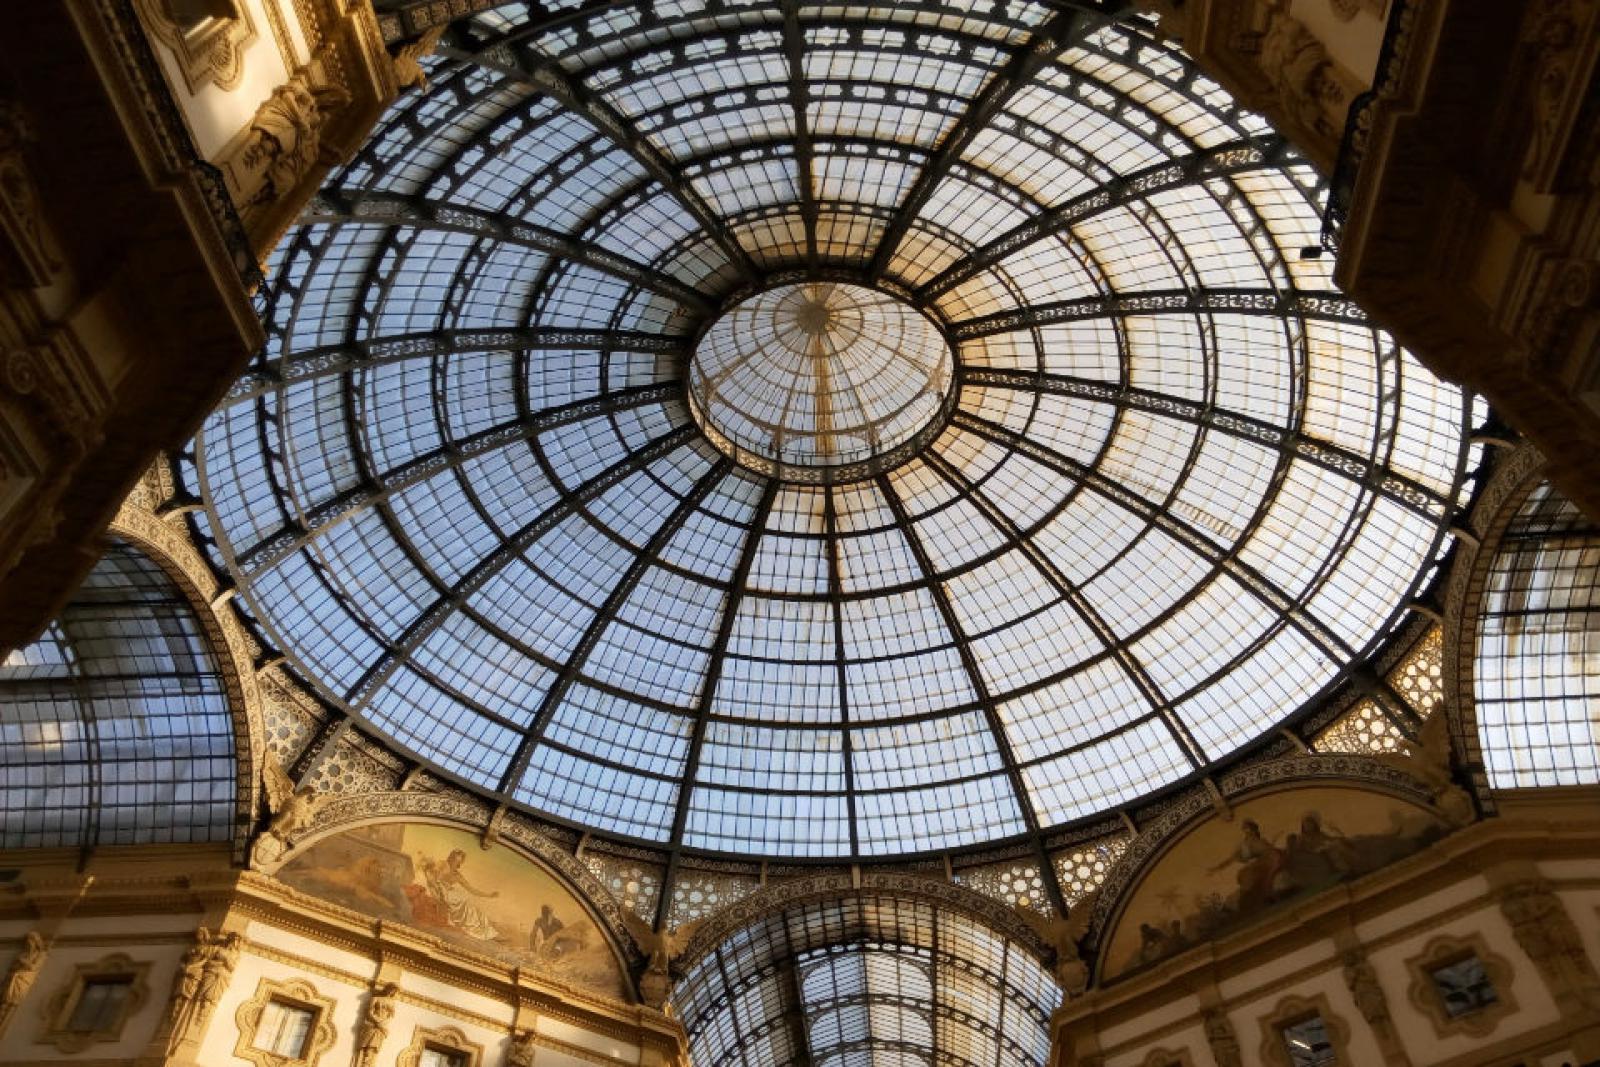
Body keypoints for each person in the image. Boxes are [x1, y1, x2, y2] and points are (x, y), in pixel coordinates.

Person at [420, 849, 502, 941]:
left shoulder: (457, 876)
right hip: (442, 893)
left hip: (450, 894)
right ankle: (485, 932)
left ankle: (490, 933)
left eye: (457, 861)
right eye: (453, 860)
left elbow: (472, 889)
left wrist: (489, 895)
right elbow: (431, 875)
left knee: (475, 908)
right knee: (466, 903)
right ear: (450, 858)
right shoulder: (441, 865)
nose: (454, 863)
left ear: (460, 863)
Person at [1208, 819, 1285, 912]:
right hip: (1260, 863)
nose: (1247, 831)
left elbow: (1268, 849)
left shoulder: (1260, 841)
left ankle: (1270, 892)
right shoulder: (1243, 845)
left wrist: (1273, 845)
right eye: (1245, 828)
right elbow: (1231, 859)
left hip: (1268, 859)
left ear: (1254, 830)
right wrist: (1217, 868)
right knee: (1247, 875)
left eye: (1249, 828)